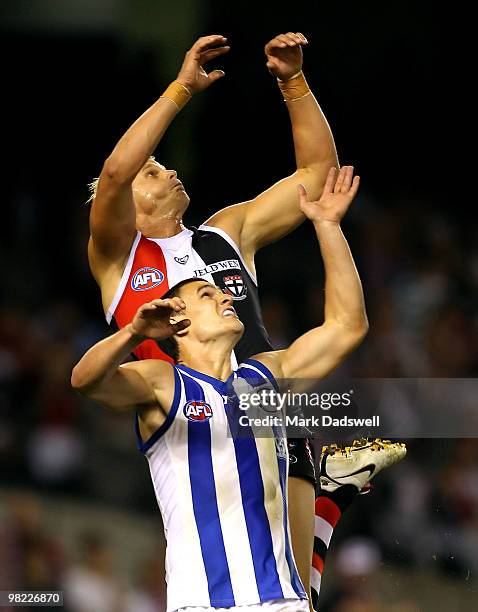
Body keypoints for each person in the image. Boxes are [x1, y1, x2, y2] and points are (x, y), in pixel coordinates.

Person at [86, 33, 404, 607]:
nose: (166, 170)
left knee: (292, 593)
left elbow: (317, 173)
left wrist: (294, 82)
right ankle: (331, 499)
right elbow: (113, 173)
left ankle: (327, 499)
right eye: (153, 170)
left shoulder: (225, 232)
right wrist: (182, 88)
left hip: (265, 403)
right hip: (188, 428)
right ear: (131, 201)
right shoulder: (120, 259)